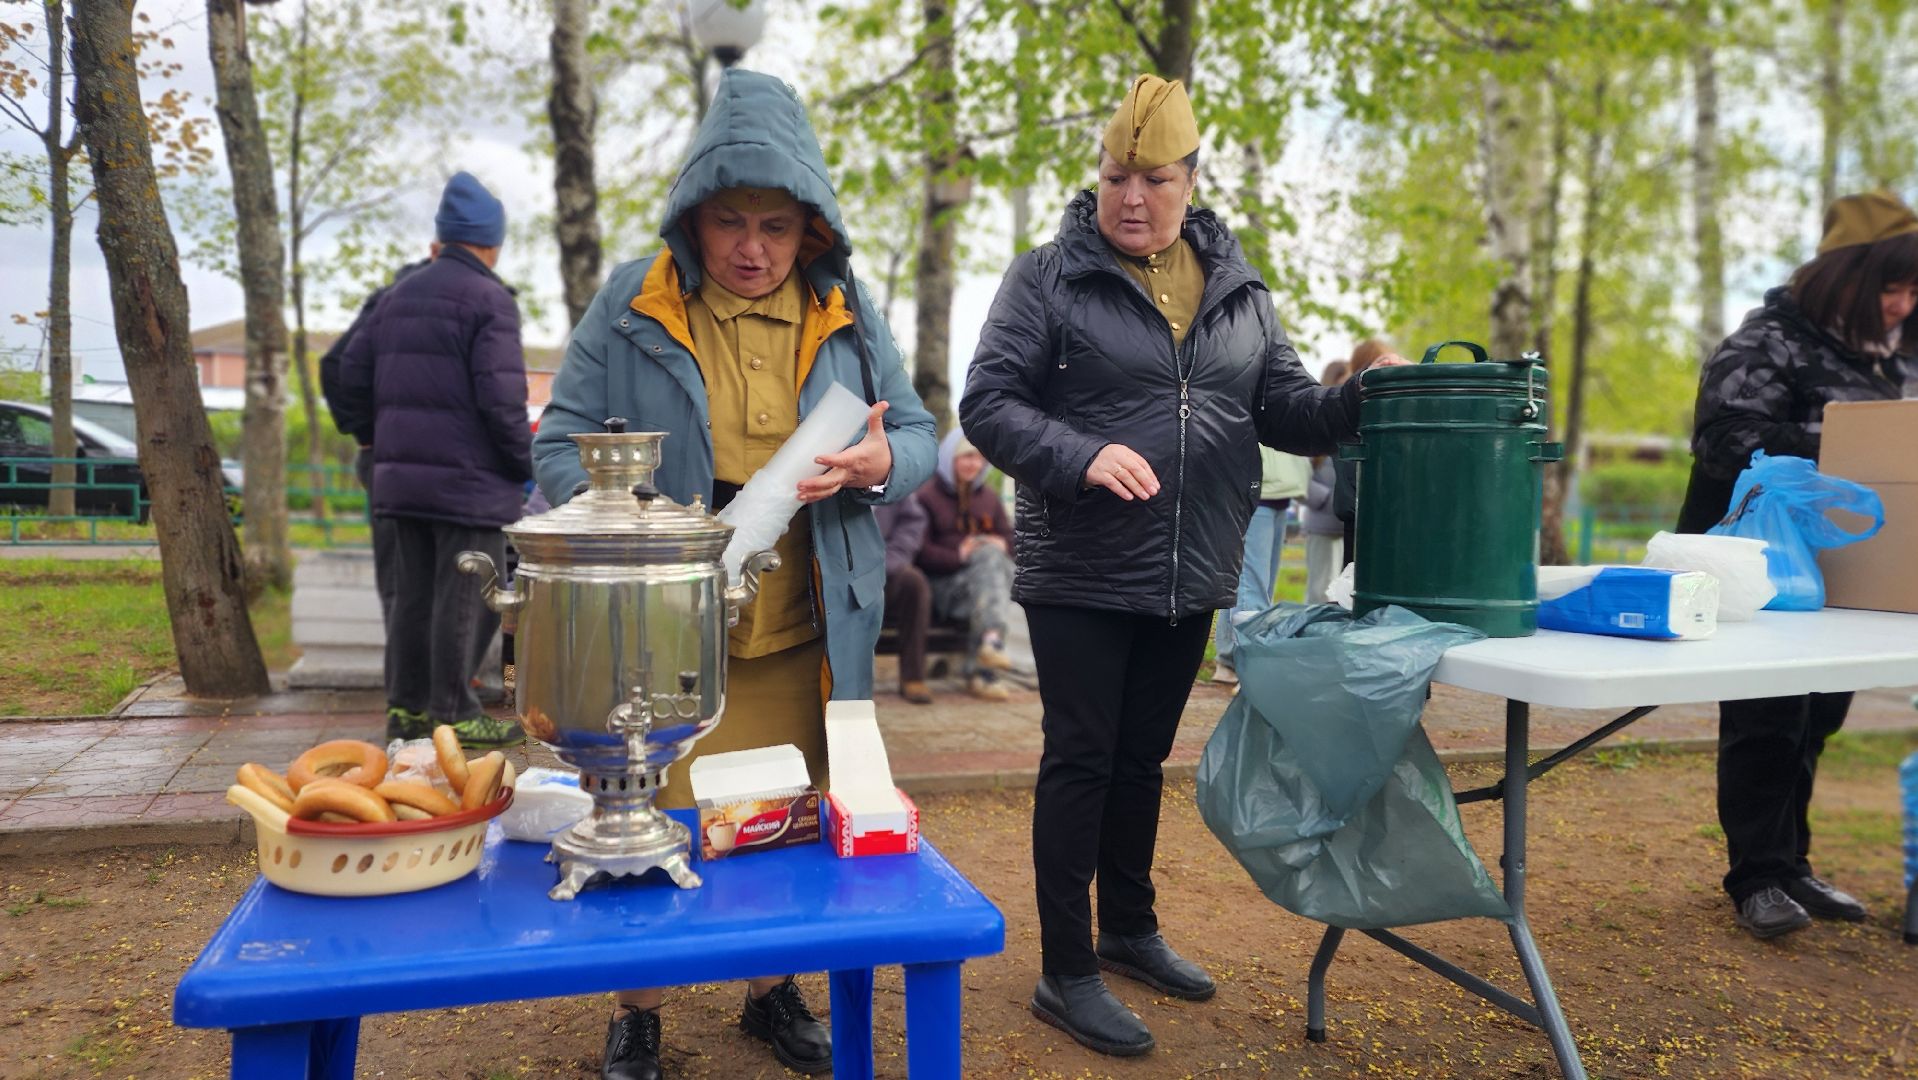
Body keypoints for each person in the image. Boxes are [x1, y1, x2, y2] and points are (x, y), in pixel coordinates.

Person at [960, 73, 1405, 1058]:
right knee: (1081, 759)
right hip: (1083, 564)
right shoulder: (1047, 277)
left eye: (1154, 179)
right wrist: (1078, 454)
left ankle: (1127, 928)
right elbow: (987, 402)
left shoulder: (1239, 291)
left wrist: (1362, 396)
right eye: (1117, 176)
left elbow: (1288, 410)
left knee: (1140, 761)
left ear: (1191, 181)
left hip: (1192, 563)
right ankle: (1066, 970)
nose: (1131, 197)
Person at [530, 69, 936, 1080]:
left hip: (805, 614)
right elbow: (559, 439)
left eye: (775, 226)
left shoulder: (844, 306)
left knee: (782, 815)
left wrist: (881, 462)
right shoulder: (635, 299)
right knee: (648, 810)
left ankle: (770, 988)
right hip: (663, 625)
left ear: (810, 229)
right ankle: (638, 1007)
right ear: (694, 217)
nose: (752, 248)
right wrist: (627, 527)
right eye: (730, 221)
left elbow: (919, 432)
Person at [1676, 188, 1918, 940]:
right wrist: (1842, 449)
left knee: (1818, 718)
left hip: (1853, 571)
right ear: (1846, 276)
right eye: (1892, 287)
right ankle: (1756, 876)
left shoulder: (1893, 354)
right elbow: (1724, 440)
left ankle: (1792, 865)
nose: (1902, 304)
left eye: (1913, 290)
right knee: (1767, 718)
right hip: (1768, 571)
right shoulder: (1768, 342)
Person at [335, 172, 529, 749]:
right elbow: (501, 400)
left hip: (402, 483)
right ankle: (454, 714)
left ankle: (407, 712)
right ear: (492, 242)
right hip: (469, 486)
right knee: (467, 598)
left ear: (443, 236)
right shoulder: (490, 299)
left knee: (413, 599)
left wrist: (376, 441)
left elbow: (348, 372)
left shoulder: (398, 295)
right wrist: (524, 464)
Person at [320, 256, 428, 738]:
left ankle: (414, 700)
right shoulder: (395, 303)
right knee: (410, 582)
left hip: (393, 459)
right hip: (400, 460)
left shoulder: (391, 303)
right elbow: (334, 366)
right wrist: (367, 433)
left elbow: (336, 365)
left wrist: (368, 435)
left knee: (404, 582)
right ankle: (413, 702)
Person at [914, 431, 1017, 701]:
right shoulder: (927, 496)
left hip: (982, 590)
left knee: (992, 561)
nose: (974, 464)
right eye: (967, 457)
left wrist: (1000, 543)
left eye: (980, 458)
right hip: (943, 588)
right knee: (990, 569)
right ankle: (985, 667)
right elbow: (918, 551)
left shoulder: (989, 498)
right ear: (951, 457)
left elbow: (1011, 542)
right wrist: (959, 554)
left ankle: (988, 649)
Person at [1209, 446, 1309, 686]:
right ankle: (1251, 667)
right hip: (1258, 491)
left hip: (1277, 492)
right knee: (1252, 586)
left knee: (1250, 583)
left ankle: (1229, 659)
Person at [1332, 339, 1394, 568]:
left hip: (1354, 505)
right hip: (1377, 504)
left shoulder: (1346, 398)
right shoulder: (1382, 399)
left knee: (1353, 569)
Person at [875, 492, 934, 704]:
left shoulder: (895, 486)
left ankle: (913, 677)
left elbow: (911, 524)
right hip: (841, 569)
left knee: (915, 584)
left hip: (885, 568)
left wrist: (889, 561)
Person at [1302, 360, 1350, 605]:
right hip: (1323, 525)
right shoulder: (1317, 425)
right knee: (1321, 589)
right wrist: (1327, 500)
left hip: (1343, 525)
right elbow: (1300, 476)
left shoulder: (1348, 426)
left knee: (1340, 592)